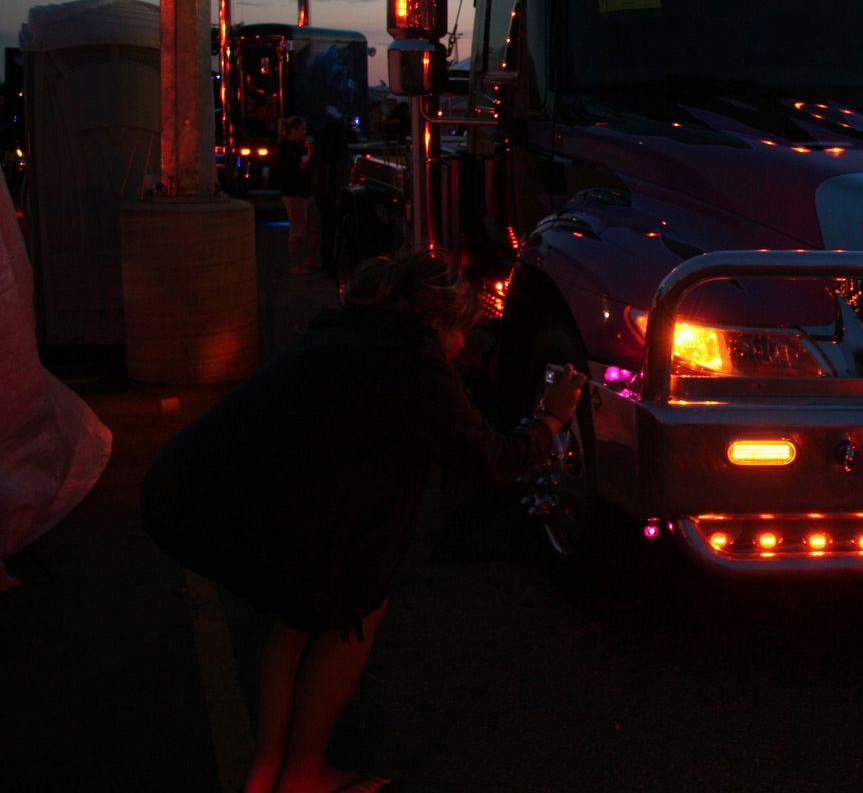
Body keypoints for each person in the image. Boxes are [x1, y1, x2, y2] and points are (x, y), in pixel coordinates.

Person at [141, 249, 588, 793]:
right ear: (437, 319)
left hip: (188, 492)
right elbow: (489, 460)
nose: (462, 346)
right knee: (353, 608)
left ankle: (268, 771)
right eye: (460, 331)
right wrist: (551, 416)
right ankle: (303, 772)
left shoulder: (351, 335)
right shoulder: (408, 356)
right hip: (231, 509)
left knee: (298, 615)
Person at [271, 116, 316, 274]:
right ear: (294, 130)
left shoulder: (297, 146)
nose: (305, 132)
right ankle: (296, 265)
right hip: (294, 191)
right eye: (302, 129)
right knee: (297, 230)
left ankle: (308, 262)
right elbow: (288, 169)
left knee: (309, 227)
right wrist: (302, 166)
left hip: (302, 191)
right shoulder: (286, 148)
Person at [310, 121, 354, 279]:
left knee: (327, 231)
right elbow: (343, 174)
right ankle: (340, 264)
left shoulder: (319, 150)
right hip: (336, 195)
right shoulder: (341, 151)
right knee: (340, 231)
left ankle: (327, 264)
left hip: (321, 194)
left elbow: (313, 170)